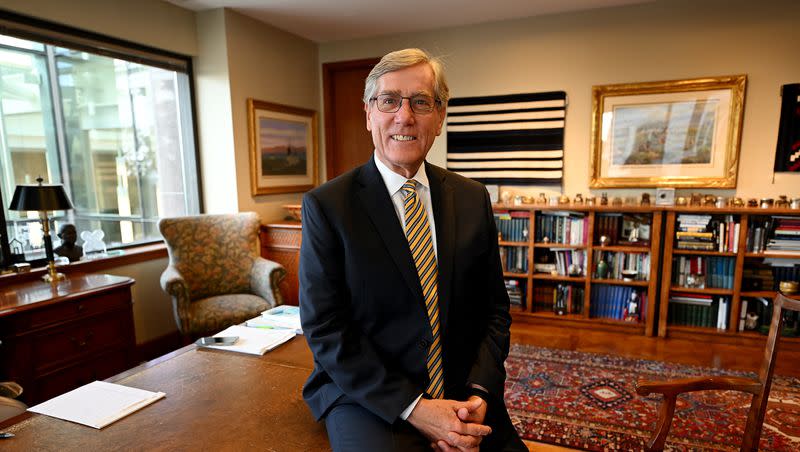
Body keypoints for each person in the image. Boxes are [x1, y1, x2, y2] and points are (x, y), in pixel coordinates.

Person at [299, 48, 525, 451]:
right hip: (367, 393)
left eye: (421, 102)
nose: (405, 116)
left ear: (439, 117)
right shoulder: (328, 206)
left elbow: (494, 311)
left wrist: (480, 394)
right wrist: (417, 409)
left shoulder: (472, 199)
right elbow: (326, 328)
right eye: (389, 101)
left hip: (462, 389)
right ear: (369, 113)